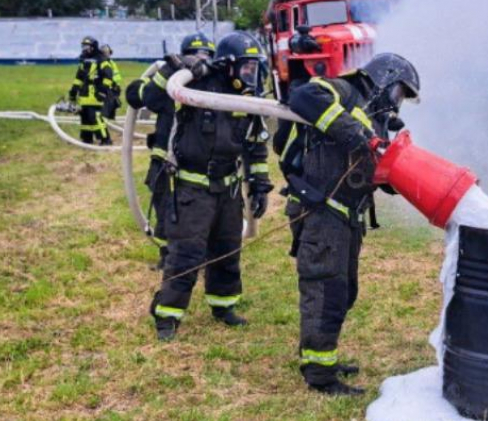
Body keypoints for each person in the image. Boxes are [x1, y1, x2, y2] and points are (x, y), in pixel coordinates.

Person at [277, 53, 420, 395]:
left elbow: (375, 164)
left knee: (344, 291)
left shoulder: (377, 118)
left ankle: (321, 356)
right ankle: (320, 375)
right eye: (400, 92)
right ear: (384, 79)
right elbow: (302, 96)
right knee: (325, 289)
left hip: (348, 217)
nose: (398, 102)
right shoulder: (341, 90)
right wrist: (357, 133)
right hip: (323, 212)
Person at [149, 32, 273, 341]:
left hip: (228, 190)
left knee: (227, 249)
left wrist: (259, 184)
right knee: (186, 254)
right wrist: (175, 68)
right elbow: (146, 97)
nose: (250, 76)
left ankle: (223, 306)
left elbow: (256, 145)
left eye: (254, 69)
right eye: (245, 69)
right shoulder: (197, 84)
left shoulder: (247, 98)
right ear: (227, 66)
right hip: (192, 189)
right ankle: (167, 316)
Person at [125, 32, 216, 271]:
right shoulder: (170, 84)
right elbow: (142, 97)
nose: (199, 62)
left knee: (201, 212)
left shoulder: (215, 87)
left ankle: (203, 256)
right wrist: (167, 72)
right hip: (166, 161)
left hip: (201, 164)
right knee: (166, 209)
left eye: (206, 56)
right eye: (193, 56)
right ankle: (167, 256)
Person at [68, 36, 114, 145]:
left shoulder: (101, 59)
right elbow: (79, 77)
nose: (84, 49)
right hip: (84, 94)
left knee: (95, 117)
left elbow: (108, 76)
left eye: (86, 46)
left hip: (95, 94)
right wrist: (73, 91)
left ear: (93, 47)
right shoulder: (83, 60)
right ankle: (87, 139)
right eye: (83, 46)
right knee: (85, 117)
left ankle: (105, 139)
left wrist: (102, 91)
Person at [100, 44, 123, 121]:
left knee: (113, 104)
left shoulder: (111, 63)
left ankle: (111, 119)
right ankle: (105, 119)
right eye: (106, 53)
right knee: (108, 105)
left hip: (114, 87)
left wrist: (117, 85)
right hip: (108, 87)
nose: (107, 54)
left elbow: (116, 75)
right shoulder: (102, 63)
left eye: (108, 53)